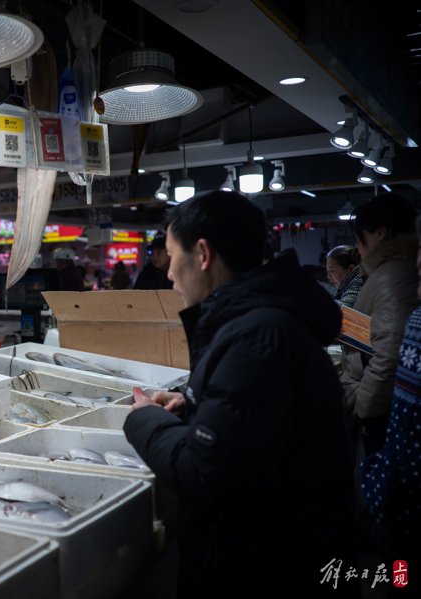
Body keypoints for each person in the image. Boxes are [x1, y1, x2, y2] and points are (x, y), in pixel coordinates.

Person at [122, 191, 355, 597]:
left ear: (203, 254)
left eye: (173, 256)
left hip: (264, 572)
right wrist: (193, 409)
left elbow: (208, 473)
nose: (171, 274)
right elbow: (255, 434)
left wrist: (144, 419)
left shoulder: (258, 336)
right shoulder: (255, 323)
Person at [360, 214, 421, 569]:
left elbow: (405, 435)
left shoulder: (416, 324)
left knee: (400, 575)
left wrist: (361, 405)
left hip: (407, 511)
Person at [340, 193, 419, 458]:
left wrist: (364, 408)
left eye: (359, 236)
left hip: (378, 412)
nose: (357, 247)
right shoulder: (391, 272)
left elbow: (390, 353)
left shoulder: (391, 277)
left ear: (380, 234)